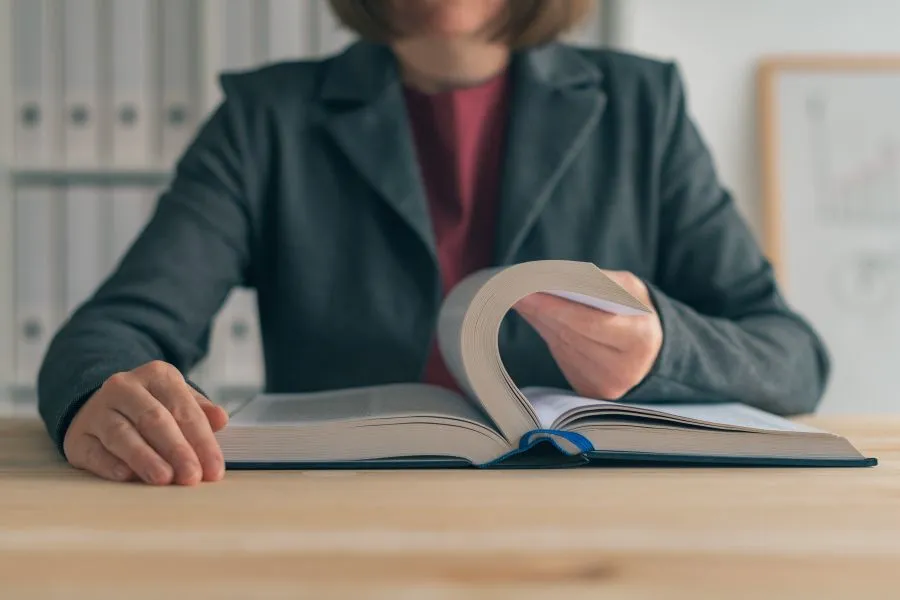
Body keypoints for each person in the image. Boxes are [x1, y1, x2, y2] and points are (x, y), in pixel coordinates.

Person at [37, 0, 830, 486]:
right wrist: (98, 398)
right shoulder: (266, 118)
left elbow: (791, 356)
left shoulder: (641, 106)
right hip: (336, 526)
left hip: (595, 531)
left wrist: (660, 347)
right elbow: (114, 330)